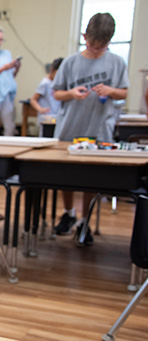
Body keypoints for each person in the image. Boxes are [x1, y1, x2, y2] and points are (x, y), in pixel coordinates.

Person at [52, 12, 128, 245]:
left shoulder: (116, 62)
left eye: (101, 47)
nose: (95, 50)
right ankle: (69, 214)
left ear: (109, 42)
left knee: (89, 178)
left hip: (99, 129)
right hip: (70, 128)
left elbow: (124, 92)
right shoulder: (71, 62)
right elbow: (57, 92)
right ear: (84, 36)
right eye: (92, 45)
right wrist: (72, 94)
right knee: (66, 175)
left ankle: (85, 220)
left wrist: (110, 91)